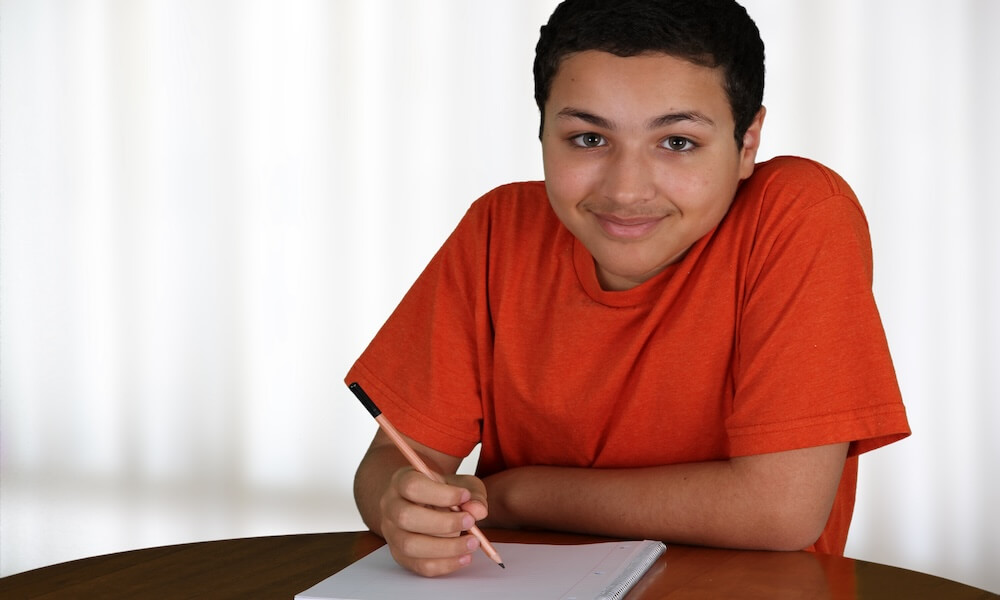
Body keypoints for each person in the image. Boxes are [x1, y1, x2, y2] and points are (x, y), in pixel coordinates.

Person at [347, 0, 910, 577]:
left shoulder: (798, 212)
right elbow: (393, 461)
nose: (627, 190)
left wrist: (514, 495)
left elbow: (780, 511)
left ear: (746, 144)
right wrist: (399, 504)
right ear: (542, 131)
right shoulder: (498, 230)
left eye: (678, 143)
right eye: (589, 138)